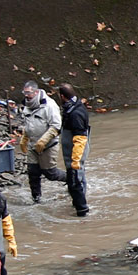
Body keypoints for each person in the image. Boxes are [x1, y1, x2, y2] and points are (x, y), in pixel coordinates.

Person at [16, 80, 63, 203]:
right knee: (32, 172)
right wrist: (24, 138)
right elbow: (28, 123)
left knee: (50, 174)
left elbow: (56, 126)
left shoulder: (50, 106)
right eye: (24, 92)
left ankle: (73, 180)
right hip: (32, 144)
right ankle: (36, 199)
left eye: (29, 93)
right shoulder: (27, 105)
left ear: (36, 92)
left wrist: (43, 141)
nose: (26, 95)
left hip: (48, 145)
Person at [55, 83, 91, 217]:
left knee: (74, 182)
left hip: (75, 154)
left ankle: (82, 212)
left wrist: (75, 160)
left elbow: (80, 138)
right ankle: (78, 205)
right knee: (79, 180)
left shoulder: (75, 113)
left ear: (62, 96)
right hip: (74, 153)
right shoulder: (74, 107)